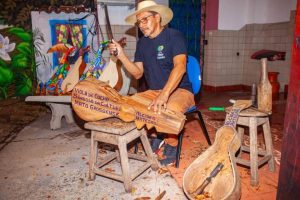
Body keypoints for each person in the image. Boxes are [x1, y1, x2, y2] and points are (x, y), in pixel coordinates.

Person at [108, 0, 195, 165]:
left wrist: (164, 95)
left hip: (180, 91)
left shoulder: (174, 36)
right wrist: (121, 56)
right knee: (130, 104)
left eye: (145, 19)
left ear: (158, 17)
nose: (141, 25)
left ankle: (171, 144)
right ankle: (156, 134)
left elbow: (180, 67)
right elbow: (138, 73)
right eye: (139, 22)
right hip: (155, 91)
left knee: (169, 109)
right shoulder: (142, 43)